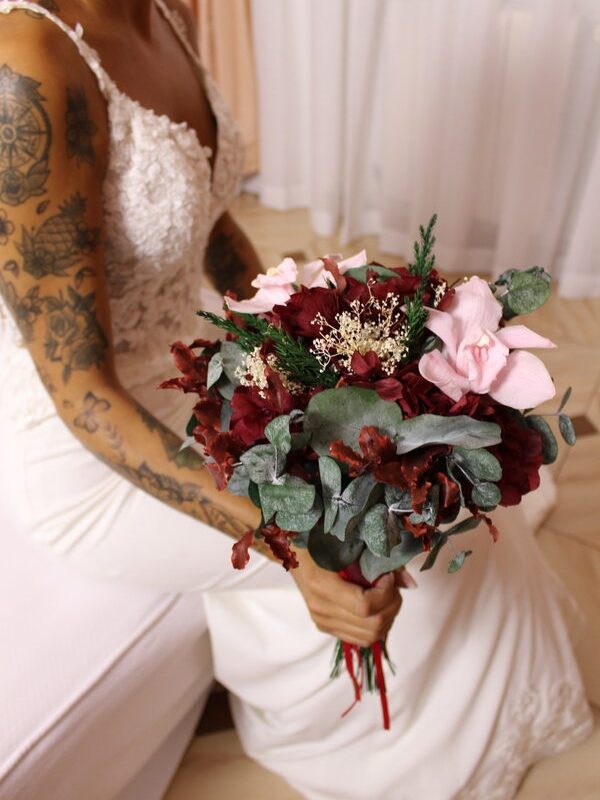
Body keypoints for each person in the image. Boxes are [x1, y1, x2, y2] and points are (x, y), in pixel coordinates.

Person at [0, 3, 592, 798]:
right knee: (385, 532)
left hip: (202, 367)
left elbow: (204, 218)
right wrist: (292, 543)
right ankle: (392, 756)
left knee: (438, 461)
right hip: (94, 453)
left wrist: (305, 337)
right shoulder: (28, 63)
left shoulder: (164, 10)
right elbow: (82, 393)